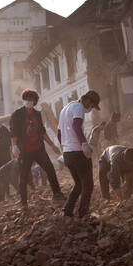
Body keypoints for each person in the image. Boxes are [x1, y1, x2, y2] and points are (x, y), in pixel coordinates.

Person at [10, 89, 64, 210]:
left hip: (38, 149)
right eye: (27, 99)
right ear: (24, 100)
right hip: (24, 150)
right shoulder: (17, 114)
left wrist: (52, 145)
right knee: (23, 176)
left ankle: (57, 194)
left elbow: (42, 132)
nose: (29, 101)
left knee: (50, 170)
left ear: (35, 101)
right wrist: (14, 146)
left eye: (31, 99)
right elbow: (13, 132)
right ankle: (24, 202)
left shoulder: (38, 114)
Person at [57, 90, 101, 218]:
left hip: (67, 154)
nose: (91, 108)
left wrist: (64, 147)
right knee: (88, 184)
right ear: (87, 100)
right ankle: (83, 212)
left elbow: (59, 133)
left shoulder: (65, 109)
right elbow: (76, 126)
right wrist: (83, 143)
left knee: (79, 184)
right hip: (77, 152)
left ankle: (67, 210)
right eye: (92, 105)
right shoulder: (79, 107)